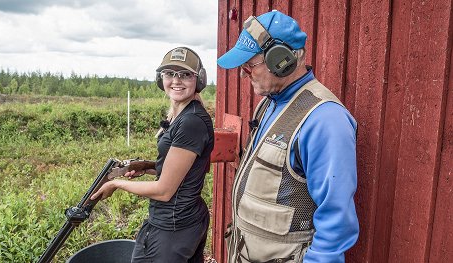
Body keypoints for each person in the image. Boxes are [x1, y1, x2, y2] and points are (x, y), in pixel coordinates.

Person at [217, 10, 359, 263]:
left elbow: (336, 225)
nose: (243, 74)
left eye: (250, 66)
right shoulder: (269, 104)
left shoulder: (325, 120)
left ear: (280, 60)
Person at [91, 47, 214, 263]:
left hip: (173, 227)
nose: (177, 80)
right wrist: (147, 166)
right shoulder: (181, 116)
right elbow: (185, 169)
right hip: (184, 220)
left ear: (199, 80)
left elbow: (164, 191)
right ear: (161, 79)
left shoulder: (190, 122)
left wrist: (116, 184)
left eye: (185, 74)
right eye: (170, 73)